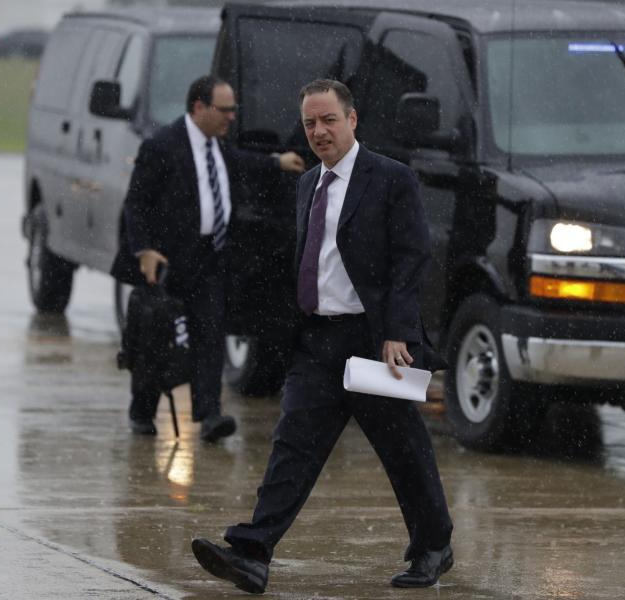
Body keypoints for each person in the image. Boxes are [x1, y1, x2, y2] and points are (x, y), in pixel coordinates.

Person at [190, 79, 453, 594]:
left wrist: (397, 332)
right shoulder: (307, 183)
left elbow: (411, 257)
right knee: (293, 447)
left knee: (403, 451)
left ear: (352, 120)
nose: (319, 131)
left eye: (329, 120)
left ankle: (433, 546)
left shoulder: (390, 178)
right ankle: (252, 553)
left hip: (375, 341)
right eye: (310, 123)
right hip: (317, 340)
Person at [111, 75, 305, 441]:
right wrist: (143, 250)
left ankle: (209, 415)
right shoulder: (162, 146)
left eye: (234, 109)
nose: (232, 117)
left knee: (210, 335)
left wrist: (277, 162)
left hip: (209, 259)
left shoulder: (218, 145)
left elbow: (238, 161)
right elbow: (136, 203)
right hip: (168, 262)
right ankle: (142, 410)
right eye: (225, 109)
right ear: (199, 107)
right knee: (158, 338)